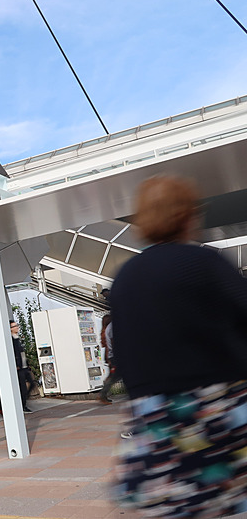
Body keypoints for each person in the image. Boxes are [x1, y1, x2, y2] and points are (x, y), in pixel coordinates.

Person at [111, 175, 247, 517]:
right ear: (187, 216)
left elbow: (122, 352)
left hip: (154, 416)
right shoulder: (205, 263)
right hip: (217, 408)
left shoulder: (124, 277)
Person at [9, 320, 34, 413]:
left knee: (32, 383)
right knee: (22, 387)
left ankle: (23, 401)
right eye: (14, 326)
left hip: (24, 366)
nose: (17, 327)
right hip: (19, 368)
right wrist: (16, 364)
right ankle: (22, 405)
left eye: (17, 325)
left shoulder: (18, 338)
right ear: (10, 329)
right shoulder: (11, 340)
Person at [97, 314, 118, 404]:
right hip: (114, 356)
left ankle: (103, 394)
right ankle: (102, 394)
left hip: (110, 356)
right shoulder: (110, 328)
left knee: (113, 376)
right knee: (114, 376)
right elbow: (113, 343)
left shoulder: (105, 330)